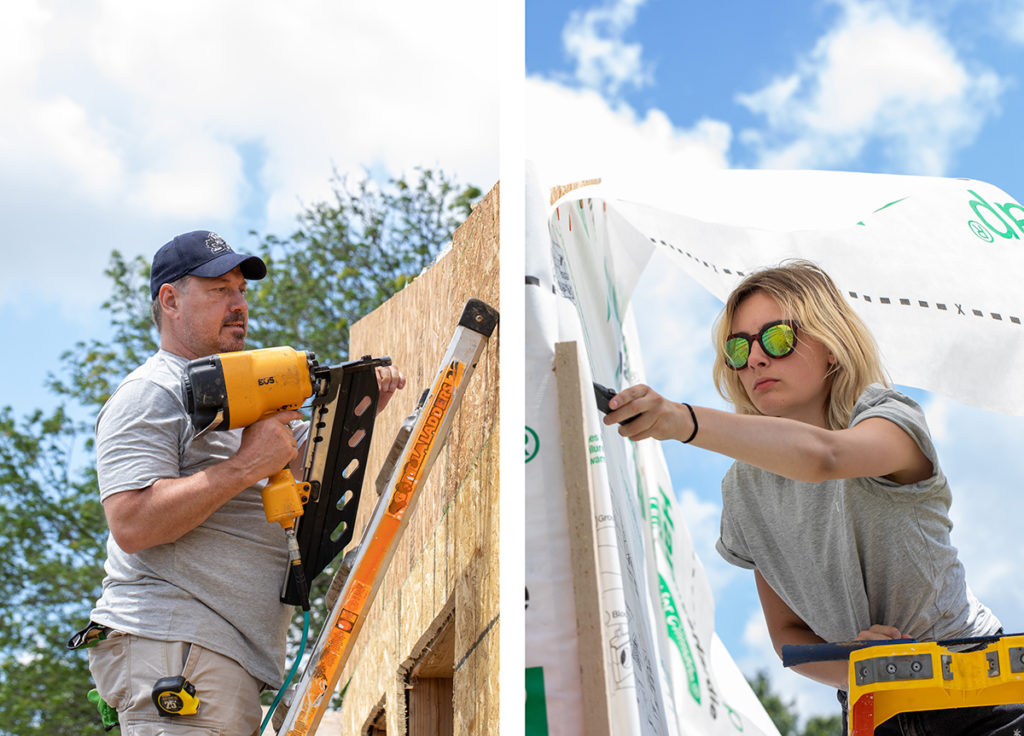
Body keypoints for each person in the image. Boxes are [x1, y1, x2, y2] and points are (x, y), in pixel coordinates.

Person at [603, 260, 1024, 734]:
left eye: (777, 338)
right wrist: (864, 668)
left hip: (980, 693)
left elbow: (824, 458)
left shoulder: (890, 418)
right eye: (738, 349)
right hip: (872, 713)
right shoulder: (743, 491)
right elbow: (789, 638)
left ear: (831, 346)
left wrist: (684, 422)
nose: (756, 358)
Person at [83, 230, 405, 735]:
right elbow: (132, 522)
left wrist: (357, 410)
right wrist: (245, 465)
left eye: (242, 291)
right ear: (170, 300)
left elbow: (284, 475)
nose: (238, 305)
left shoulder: (237, 390)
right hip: (177, 645)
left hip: (215, 655)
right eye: (219, 291)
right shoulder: (152, 392)